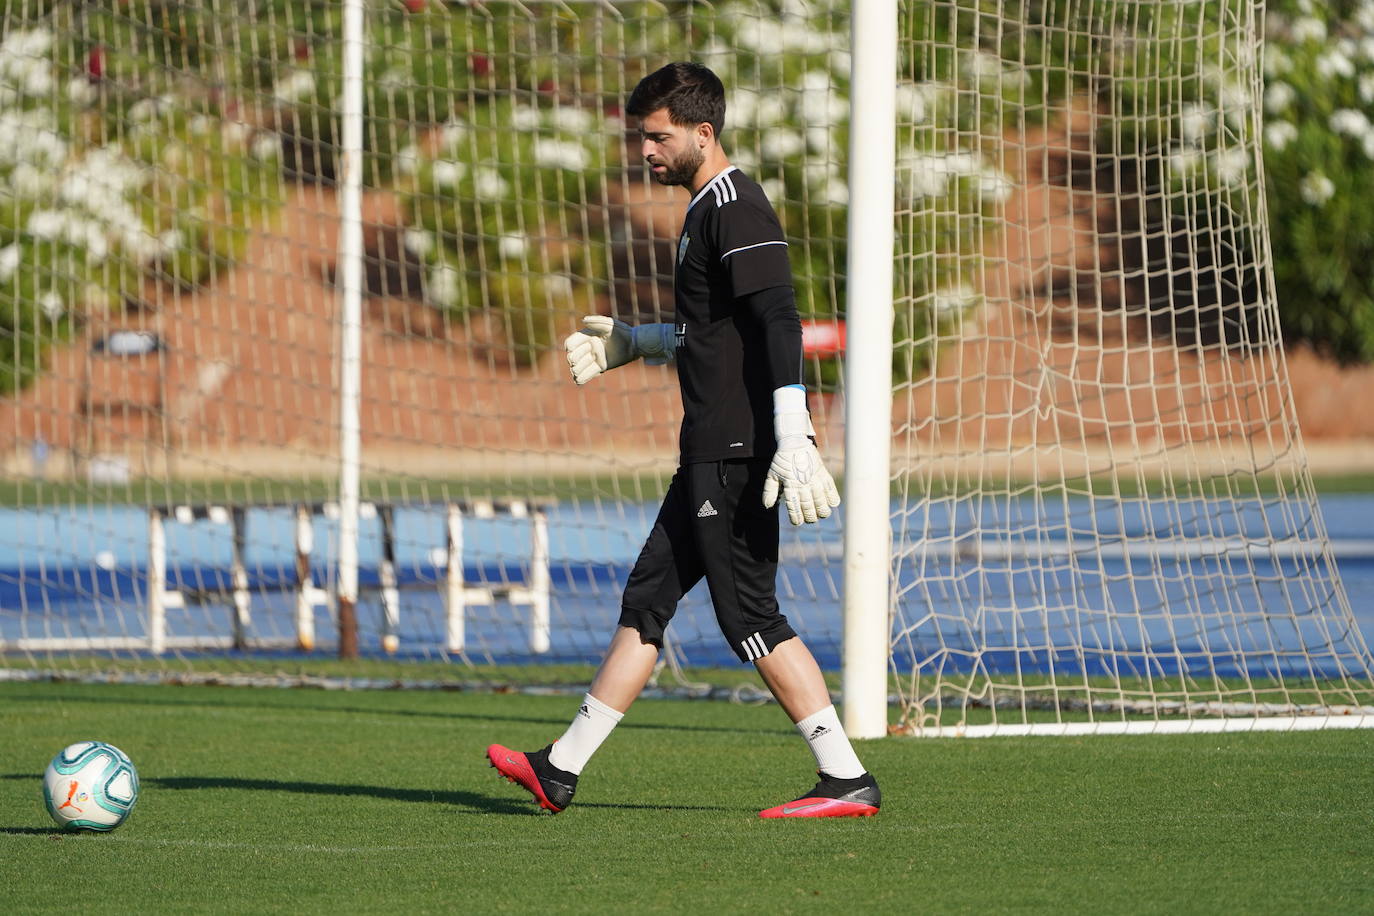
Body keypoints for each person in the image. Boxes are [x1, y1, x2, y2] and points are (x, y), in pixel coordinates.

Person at [486, 61, 879, 819]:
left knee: (749, 617)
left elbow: (777, 321)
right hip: (706, 445)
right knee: (648, 599)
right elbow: (717, 330)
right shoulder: (703, 209)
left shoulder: (736, 207)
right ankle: (560, 767)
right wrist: (641, 341)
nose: (646, 151)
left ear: (704, 132)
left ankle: (844, 776)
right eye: (641, 138)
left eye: (658, 136)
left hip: (737, 450)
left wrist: (794, 430)